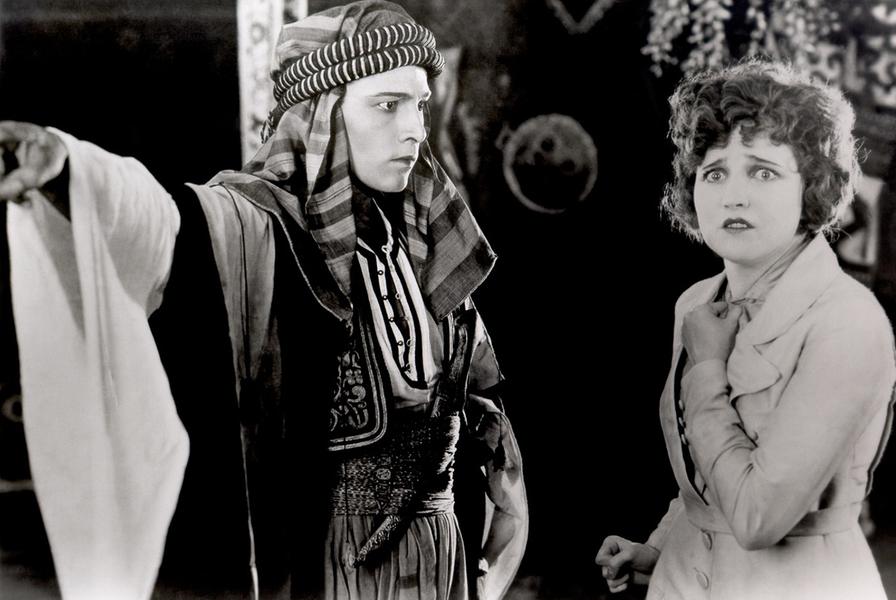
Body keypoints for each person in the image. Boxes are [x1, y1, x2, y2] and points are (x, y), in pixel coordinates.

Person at [0, 2, 526, 599]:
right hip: (328, 569)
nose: (415, 129)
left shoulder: (427, 243)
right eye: (388, 105)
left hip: (442, 562)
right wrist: (68, 169)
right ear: (322, 116)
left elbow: (478, 411)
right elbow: (162, 223)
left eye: (420, 105)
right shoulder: (259, 228)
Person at [595, 59, 896, 600]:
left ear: (813, 185)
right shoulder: (697, 302)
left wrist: (708, 369)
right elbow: (709, 479)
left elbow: (759, 517)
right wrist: (664, 546)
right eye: (714, 172)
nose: (733, 196)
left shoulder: (848, 321)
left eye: (763, 172)